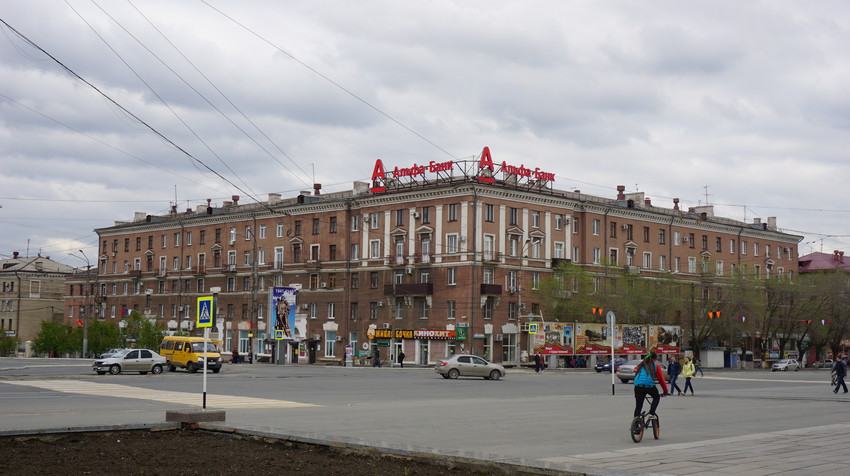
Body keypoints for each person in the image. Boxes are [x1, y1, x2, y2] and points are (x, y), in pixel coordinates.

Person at [633, 351, 669, 418]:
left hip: (638, 386)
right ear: (655, 359)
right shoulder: (656, 365)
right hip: (649, 386)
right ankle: (651, 414)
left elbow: (635, 371)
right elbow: (661, 380)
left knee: (638, 405)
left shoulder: (641, 365)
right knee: (656, 397)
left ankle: (636, 422)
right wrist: (665, 391)